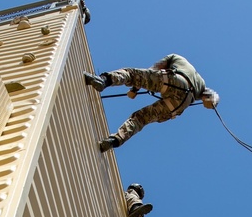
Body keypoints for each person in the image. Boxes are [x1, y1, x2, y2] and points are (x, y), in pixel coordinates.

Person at [84, 54, 219, 151]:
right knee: (141, 119)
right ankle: (114, 141)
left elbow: (152, 71)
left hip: (174, 80)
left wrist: (134, 90)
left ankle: (103, 81)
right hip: (179, 104)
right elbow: (211, 95)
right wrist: (212, 102)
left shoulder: (173, 57)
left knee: (131, 74)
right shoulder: (200, 82)